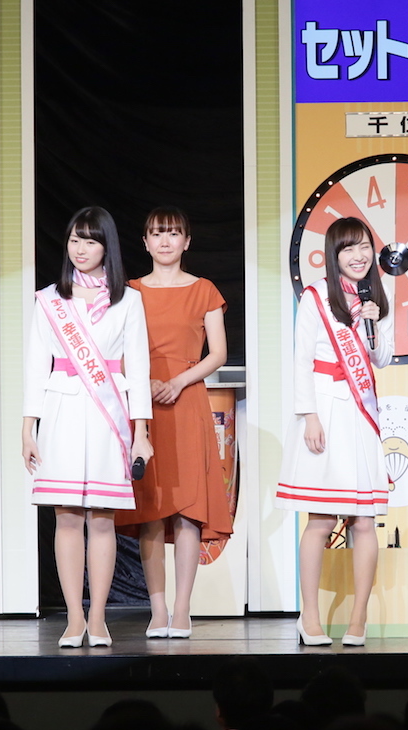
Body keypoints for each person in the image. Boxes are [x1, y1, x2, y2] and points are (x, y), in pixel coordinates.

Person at [22, 206, 153, 649]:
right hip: (60, 411)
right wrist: (28, 427)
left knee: (102, 518)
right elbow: (35, 366)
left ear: (106, 247)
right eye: (75, 239)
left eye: (90, 240)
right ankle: (74, 618)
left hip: (108, 416)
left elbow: (139, 369)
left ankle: (98, 618)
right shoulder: (50, 300)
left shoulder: (128, 300)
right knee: (66, 517)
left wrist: (141, 432)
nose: (80, 249)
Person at [115, 206, 233, 639]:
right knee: (151, 510)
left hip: (186, 403)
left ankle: (182, 610)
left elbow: (218, 353)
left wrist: (178, 381)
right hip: (142, 406)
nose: (165, 241)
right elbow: (116, 348)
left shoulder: (204, 290)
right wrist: (143, 383)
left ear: (187, 241)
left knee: (187, 510)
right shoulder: (129, 292)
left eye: (173, 233)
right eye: (157, 233)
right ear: (145, 243)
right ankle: (158, 609)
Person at [275, 217, 392, 647]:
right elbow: (301, 359)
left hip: (359, 415)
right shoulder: (316, 297)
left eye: (363, 247)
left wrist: (373, 324)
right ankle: (309, 618)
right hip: (324, 409)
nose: (358, 256)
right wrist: (309, 415)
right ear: (333, 255)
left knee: (364, 521)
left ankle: (359, 619)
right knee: (321, 519)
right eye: (348, 249)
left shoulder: (376, 295)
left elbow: (382, 357)